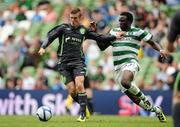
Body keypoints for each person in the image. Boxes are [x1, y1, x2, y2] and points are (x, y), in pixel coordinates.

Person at [38, 8, 122, 122]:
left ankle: (82, 114)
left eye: (75, 18)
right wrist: (43, 47)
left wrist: (114, 36)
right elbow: (50, 36)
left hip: (78, 62)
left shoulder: (84, 30)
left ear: (80, 18)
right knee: (72, 91)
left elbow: (99, 37)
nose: (73, 20)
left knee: (80, 85)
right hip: (63, 64)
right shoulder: (63, 28)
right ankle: (85, 108)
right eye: (71, 18)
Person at [92, 12, 168, 122]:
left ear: (130, 22)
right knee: (133, 98)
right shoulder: (114, 32)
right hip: (118, 68)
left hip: (131, 62)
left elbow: (152, 42)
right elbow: (102, 47)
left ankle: (144, 99)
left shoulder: (137, 32)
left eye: (123, 20)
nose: (120, 22)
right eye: (119, 20)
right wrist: (95, 33)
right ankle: (156, 110)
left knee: (125, 82)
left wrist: (160, 49)